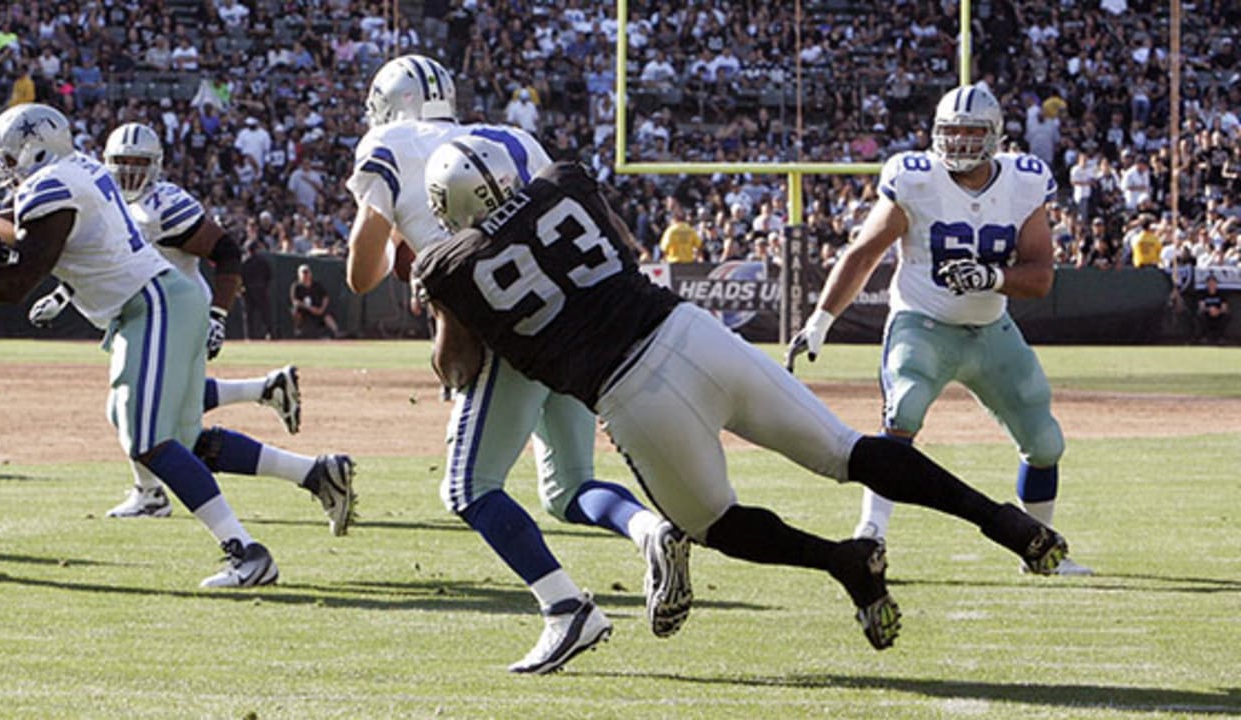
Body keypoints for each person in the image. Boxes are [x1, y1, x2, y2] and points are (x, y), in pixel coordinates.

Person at [412, 135, 1073, 655]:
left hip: (630, 391)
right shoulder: (562, 181)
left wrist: (443, 305)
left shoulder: (447, 267)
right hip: (689, 330)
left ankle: (843, 562)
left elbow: (458, 368)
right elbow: (626, 247)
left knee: (713, 524)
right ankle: (1007, 523)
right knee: (848, 450)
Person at [344, 55, 691, 674]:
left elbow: (361, 274)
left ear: (388, 103)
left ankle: (566, 609)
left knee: (468, 488)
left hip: (510, 319)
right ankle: (649, 532)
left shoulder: (388, 143)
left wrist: (401, 235)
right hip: (576, 318)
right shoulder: (509, 137)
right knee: (567, 486)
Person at [0, 104, 279, 587]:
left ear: (36, 149)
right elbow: (6, 225)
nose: (4, 171)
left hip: (153, 305)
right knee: (165, 437)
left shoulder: (51, 187)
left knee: (148, 440)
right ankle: (270, 520)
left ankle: (248, 553)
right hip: (157, 303)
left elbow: (18, 281)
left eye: (9, 158)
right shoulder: (75, 171)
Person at [786, 85, 1091, 576]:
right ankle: (870, 536)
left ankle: (1042, 552)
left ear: (995, 135)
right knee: (901, 415)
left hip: (992, 329)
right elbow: (864, 253)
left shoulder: (1023, 181)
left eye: (973, 132)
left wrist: (992, 276)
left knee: (1045, 441)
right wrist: (822, 319)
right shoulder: (917, 179)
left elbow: (1040, 276)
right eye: (951, 131)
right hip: (922, 324)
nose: (961, 142)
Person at [23, 122, 354, 532]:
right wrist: (62, 295)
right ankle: (310, 466)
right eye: (120, 163)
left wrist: (218, 315)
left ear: (156, 165)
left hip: (173, 315)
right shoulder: (102, 199)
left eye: (137, 163)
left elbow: (226, 250)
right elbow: (102, 265)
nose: (128, 172)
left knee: (145, 422)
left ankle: (169, 502)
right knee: (169, 428)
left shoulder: (166, 202)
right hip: (145, 315)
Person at [290, 263, 341, 338]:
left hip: (318, 309)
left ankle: (337, 333)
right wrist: (310, 308)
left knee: (327, 316)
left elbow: (325, 297)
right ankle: (298, 329)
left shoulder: (317, 285)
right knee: (295, 311)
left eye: (307, 273)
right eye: (303, 273)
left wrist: (321, 309)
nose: (305, 275)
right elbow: (295, 301)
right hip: (304, 310)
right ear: (299, 275)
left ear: (310, 274)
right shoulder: (296, 286)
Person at [1198, 274, 1230, 344]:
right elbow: (1201, 307)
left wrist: (1217, 311)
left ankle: (1220, 337)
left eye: (1213, 283)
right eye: (1209, 283)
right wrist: (1209, 310)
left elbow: (1224, 308)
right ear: (1207, 284)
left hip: (1219, 314)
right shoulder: (1203, 294)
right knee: (1200, 315)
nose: (1211, 285)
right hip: (1207, 314)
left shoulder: (1221, 294)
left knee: (1226, 315)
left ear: (1216, 284)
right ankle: (1205, 337)